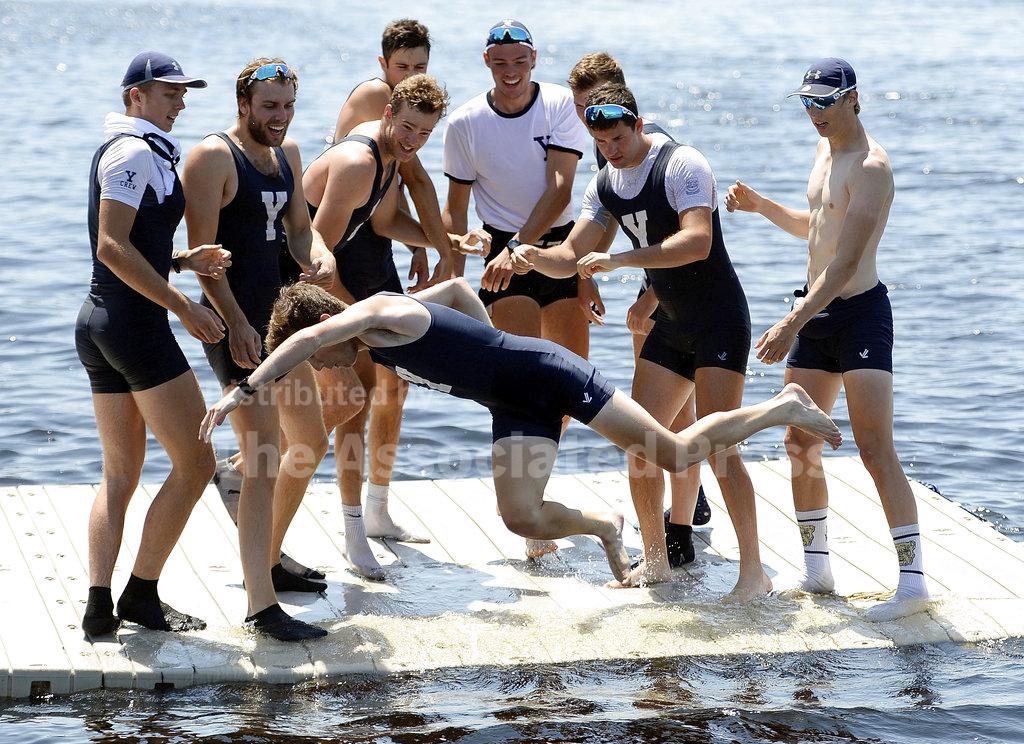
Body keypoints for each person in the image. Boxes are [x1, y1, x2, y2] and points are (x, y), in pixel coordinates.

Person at [198, 280, 843, 590]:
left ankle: (782, 405)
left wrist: (243, 388)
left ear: (326, 327)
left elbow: (310, 339)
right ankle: (606, 528)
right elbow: (454, 287)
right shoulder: (375, 335)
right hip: (511, 399)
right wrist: (486, 346)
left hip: (547, 373)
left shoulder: (376, 314)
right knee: (519, 517)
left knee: (669, 450)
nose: (321, 365)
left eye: (318, 353)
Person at [511, 83, 766, 600]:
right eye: (602, 141)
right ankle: (655, 565)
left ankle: (753, 571)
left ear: (639, 124)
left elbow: (698, 242)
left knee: (720, 450)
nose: (613, 149)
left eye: (620, 137)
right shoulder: (603, 183)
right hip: (671, 324)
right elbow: (573, 253)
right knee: (642, 445)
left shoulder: (682, 164)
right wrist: (529, 256)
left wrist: (622, 261)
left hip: (719, 320)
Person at [725, 58, 930, 621]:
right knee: (799, 442)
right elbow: (816, 226)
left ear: (853, 98)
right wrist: (762, 206)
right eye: (807, 103)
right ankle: (818, 571)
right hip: (815, 312)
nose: (814, 113)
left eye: (824, 103)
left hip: (859, 314)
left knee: (873, 447)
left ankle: (912, 585)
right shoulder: (823, 152)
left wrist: (792, 321)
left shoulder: (872, 167)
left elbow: (844, 263)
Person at [296, 74, 489, 578]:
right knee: (348, 402)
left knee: (352, 402)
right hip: (295, 289)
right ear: (387, 114)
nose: (412, 140)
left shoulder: (390, 160)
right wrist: (354, 321)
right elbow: (315, 258)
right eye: (406, 127)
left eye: (423, 134)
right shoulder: (360, 163)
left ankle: (356, 522)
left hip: (332, 286)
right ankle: (346, 527)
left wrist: (445, 240)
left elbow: (382, 225)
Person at [181, 59, 341, 640]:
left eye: (288, 106)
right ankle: (260, 605)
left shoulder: (288, 154)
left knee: (311, 439)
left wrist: (315, 254)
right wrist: (238, 324)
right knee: (268, 454)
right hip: (236, 329)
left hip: (278, 323)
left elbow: (299, 228)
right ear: (243, 103)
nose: (280, 117)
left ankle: (266, 558)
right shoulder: (212, 158)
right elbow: (202, 257)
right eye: (269, 106)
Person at [76, 51, 229, 637]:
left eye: (183, 92)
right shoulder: (134, 151)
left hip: (102, 324)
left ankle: (98, 609)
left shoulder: (139, 150)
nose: (181, 101)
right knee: (198, 461)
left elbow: (130, 243)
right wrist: (184, 304)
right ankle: (140, 595)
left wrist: (184, 259)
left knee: (121, 474)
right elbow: (110, 247)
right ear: (135, 96)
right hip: (133, 328)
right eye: (169, 93)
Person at [442, 19, 590, 559]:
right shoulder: (463, 123)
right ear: (486, 62)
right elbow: (455, 212)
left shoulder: (558, 105)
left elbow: (562, 188)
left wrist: (532, 252)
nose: (510, 72)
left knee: (572, 388)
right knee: (526, 389)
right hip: (501, 258)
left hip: (561, 247)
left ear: (534, 59)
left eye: (519, 61)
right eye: (500, 62)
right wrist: (460, 255)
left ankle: (535, 496)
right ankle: (531, 524)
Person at [566, 52, 711, 567]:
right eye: (584, 109)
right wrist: (578, 277)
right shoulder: (608, 155)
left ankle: (683, 520)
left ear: (629, 106)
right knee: (664, 417)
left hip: (680, 295)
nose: (594, 119)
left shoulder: (664, 152)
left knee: (676, 418)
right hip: (647, 286)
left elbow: (689, 238)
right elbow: (602, 230)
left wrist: (651, 292)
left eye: (601, 105)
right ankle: (677, 521)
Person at [329, 20, 453, 551]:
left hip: (375, 241)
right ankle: (354, 521)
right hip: (342, 253)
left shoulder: (413, 115)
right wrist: (440, 250)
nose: (410, 76)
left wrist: (428, 246)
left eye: (420, 67)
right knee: (353, 396)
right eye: (402, 67)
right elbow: (418, 181)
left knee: (394, 384)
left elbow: (399, 193)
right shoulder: (379, 99)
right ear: (383, 69)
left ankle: (377, 510)